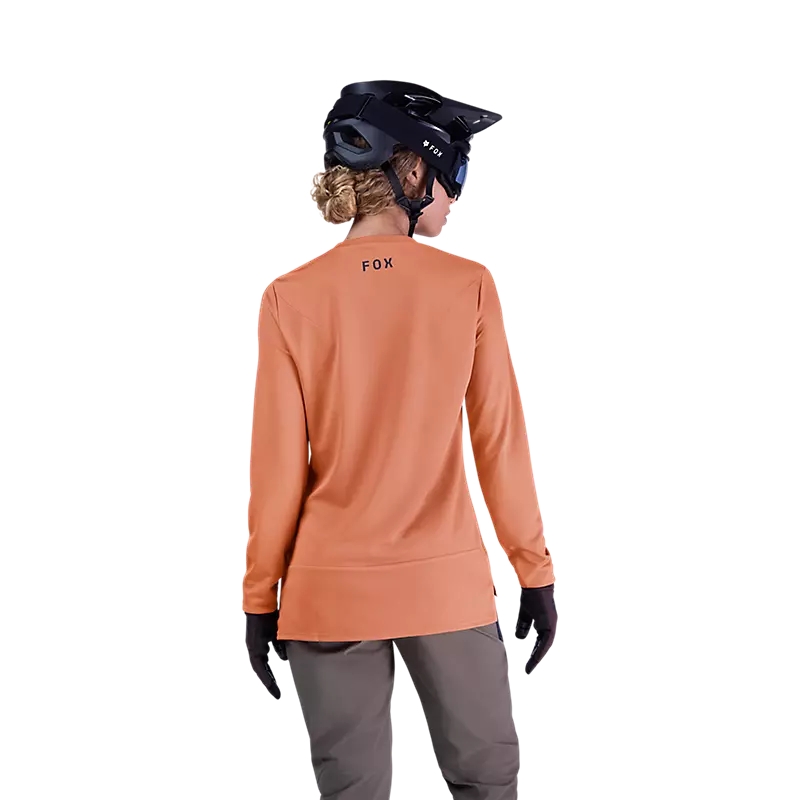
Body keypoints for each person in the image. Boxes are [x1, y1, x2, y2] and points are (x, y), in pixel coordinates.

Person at [242, 80, 558, 800]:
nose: (457, 194)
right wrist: (534, 572)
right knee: (487, 784)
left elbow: (277, 469)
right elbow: (499, 442)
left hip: (326, 590)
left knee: (351, 792)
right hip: (444, 586)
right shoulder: (468, 285)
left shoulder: (289, 298)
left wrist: (260, 596)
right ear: (413, 170)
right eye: (455, 171)